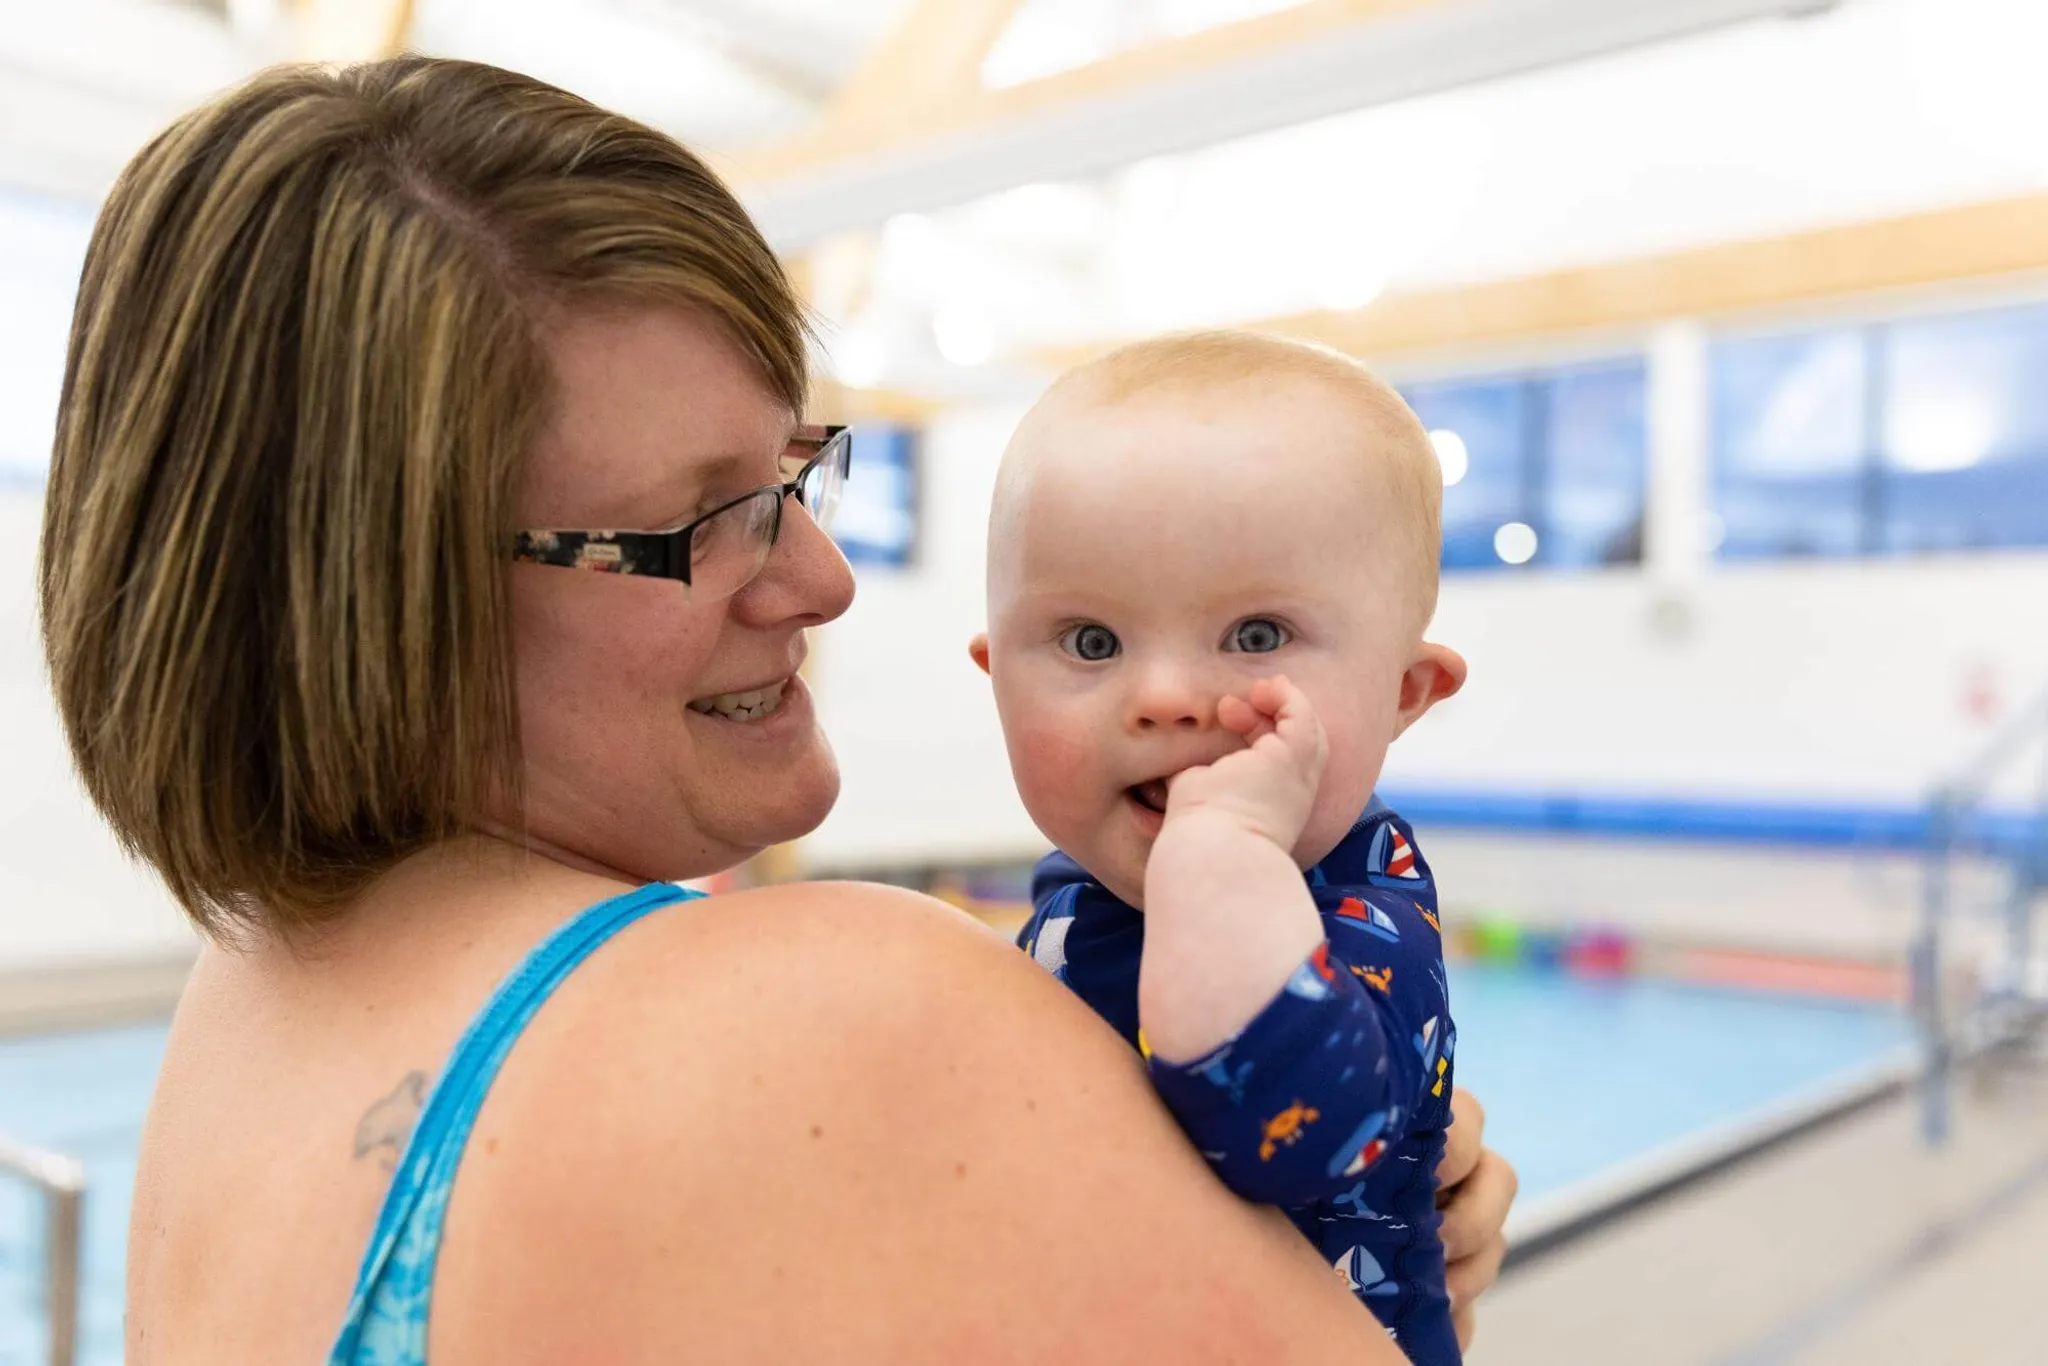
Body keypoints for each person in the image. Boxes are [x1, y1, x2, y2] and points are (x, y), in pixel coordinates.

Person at [39, 57, 1516, 1365]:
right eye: (699, 523)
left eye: (795, 473)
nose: (819, 580)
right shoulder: (844, 1018)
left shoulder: (251, 988)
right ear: (373, 587)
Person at [973, 333, 1468, 1362]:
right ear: (994, 673)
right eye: (1090, 642)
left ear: (1401, 694)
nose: (1160, 698)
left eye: (1254, 635)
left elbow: (1283, 1134)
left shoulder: (1358, 911)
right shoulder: (1080, 885)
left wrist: (1225, 846)